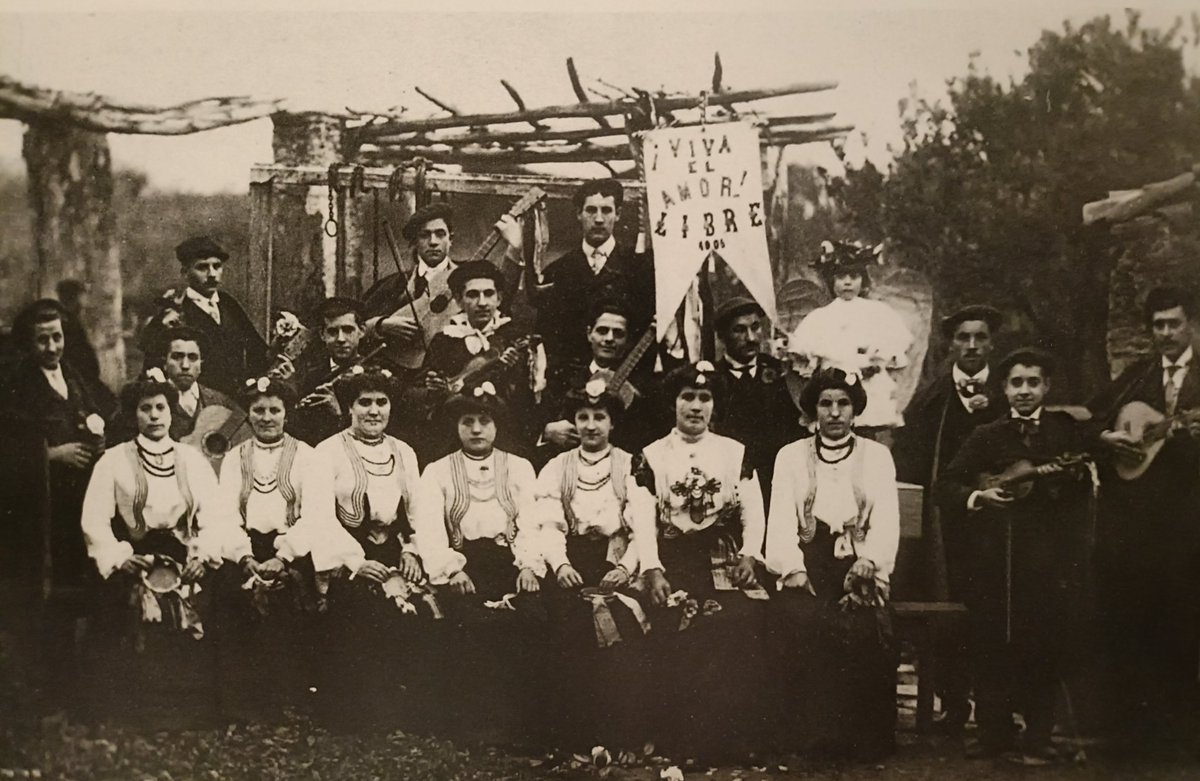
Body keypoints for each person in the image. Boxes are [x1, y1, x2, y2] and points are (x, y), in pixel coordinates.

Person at [936, 349, 1091, 765]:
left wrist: (1072, 479)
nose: (1024, 391)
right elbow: (945, 485)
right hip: (995, 560)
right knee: (991, 644)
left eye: (1033, 383)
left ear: (1046, 387)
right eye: (1016, 383)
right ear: (1004, 389)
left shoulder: (1064, 433)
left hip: (1048, 560)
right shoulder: (987, 435)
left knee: (1045, 644)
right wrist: (978, 496)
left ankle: (1038, 735)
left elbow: (1081, 496)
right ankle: (993, 734)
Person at [78, 370, 239, 726]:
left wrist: (203, 555)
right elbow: (94, 521)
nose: (154, 416)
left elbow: (215, 515)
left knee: (216, 594)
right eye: (145, 408)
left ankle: (197, 708)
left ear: (171, 412)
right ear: (133, 414)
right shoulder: (114, 460)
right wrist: (120, 558)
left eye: (161, 408)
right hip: (136, 552)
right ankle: (131, 709)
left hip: (184, 550)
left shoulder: (191, 459)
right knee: (120, 604)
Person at [630, 361, 770, 762]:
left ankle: (731, 740)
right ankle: (684, 741)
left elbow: (753, 510)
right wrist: (652, 568)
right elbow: (643, 518)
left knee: (740, 618)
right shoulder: (651, 456)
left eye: (704, 398)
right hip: (672, 557)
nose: (695, 406)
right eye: (687, 397)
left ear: (715, 405)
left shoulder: (735, 452)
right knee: (680, 620)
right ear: (672, 403)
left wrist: (749, 554)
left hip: (722, 555)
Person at [765, 367, 900, 760]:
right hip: (809, 563)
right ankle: (808, 738)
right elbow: (780, 522)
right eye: (826, 404)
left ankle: (861, 741)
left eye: (843, 403)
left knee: (863, 628)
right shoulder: (790, 456)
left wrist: (870, 561)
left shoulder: (877, 456)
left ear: (855, 410)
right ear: (813, 411)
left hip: (858, 564)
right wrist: (793, 568)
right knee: (800, 620)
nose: (835, 412)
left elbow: (887, 519)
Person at [1087, 285, 1200, 751]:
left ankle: (1187, 735)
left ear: (1190, 323)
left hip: (1192, 521)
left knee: (1188, 622)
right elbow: (1090, 418)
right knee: (1138, 620)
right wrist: (1108, 437)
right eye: (1158, 325)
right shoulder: (1138, 377)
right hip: (1141, 528)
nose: (1166, 333)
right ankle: (1136, 735)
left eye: (1174, 323)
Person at [410, 383, 547, 745]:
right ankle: (476, 726)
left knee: (531, 618)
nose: (476, 429)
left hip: (512, 563)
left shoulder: (519, 467)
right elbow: (428, 528)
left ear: (496, 425)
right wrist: (451, 569)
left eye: (484, 421)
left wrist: (529, 565)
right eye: (467, 421)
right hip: (464, 566)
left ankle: (525, 724)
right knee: (472, 626)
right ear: (456, 427)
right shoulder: (437, 472)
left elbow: (533, 520)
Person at [892, 303, 1006, 732]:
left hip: (999, 525)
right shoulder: (932, 399)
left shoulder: (1008, 391)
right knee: (947, 606)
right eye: (964, 337)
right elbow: (910, 461)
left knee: (996, 609)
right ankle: (953, 703)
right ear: (951, 344)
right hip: (946, 528)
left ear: (991, 344)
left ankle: (998, 709)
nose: (972, 346)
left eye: (980, 338)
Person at [300, 366, 430, 729]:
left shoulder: (404, 452)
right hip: (345, 553)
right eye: (364, 403)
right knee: (357, 609)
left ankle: (401, 712)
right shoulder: (327, 452)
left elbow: (419, 511)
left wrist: (414, 550)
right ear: (349, 408)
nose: (374, 411)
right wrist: (357, 562)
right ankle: (354, 713)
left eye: (382, 402)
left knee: (414, 605)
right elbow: (319, 516)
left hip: (394, 549)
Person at [0, 299, 114, 705]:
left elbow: (104, 412)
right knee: (47, 594)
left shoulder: (75, 376)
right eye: (42, 340)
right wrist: (50, 455)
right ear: (28, 344)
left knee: (81, 587)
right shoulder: (15, 384)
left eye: (57, 337)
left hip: (80, 503)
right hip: (41, 509)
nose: (51, 347)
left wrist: (99, 442)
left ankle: (81, 685)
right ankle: (45, 690)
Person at [532, 378, 656, 751]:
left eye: (599, 417)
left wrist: (627, 567)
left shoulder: (632, 464)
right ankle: (575, 734)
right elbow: (548, 520)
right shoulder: (557, 466)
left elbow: (642, 523)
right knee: (569, 631)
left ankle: (623, 732)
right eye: (582, 417)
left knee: (624, 632)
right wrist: (560, 564)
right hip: (572, 560)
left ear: (612, 423)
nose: (590, 425)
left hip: (616, 560)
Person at [214, 375, 321, 720]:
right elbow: (226, 514)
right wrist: (244, 556)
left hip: (291, 549)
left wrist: (283, 556)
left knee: (289, 605)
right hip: (245, 549)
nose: (266, 417)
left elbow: (315, 516)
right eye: (258, 410)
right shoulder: (234, 458)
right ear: (248, 414)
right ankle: (245, 701)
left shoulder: (306, 455)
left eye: (275, 410)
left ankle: (289, 698)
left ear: (286, 413)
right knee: (231, 600)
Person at [415, 260, 542, 460]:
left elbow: (530, 396)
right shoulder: (445, 339)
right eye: (472, 295)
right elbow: (422, 392)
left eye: (489, 294)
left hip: (506, 434)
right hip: (455, 435)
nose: (482, 303)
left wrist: (512, 371)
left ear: (499, 298)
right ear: (458, 300)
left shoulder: (515, 336)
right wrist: (434, 389)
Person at [521, 179, 655, 369]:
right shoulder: (558, 271)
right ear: (579, 214)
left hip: (622, 379)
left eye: (607, 210)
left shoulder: (640, 268)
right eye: (591, 210)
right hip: (569, 382)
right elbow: (547, 338)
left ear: (618, 214)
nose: (599, 219)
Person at [787, 240, 913, 436]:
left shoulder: (877, 311)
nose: (847, 282)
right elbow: (804, 352)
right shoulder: (821, 316)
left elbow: (893, 343)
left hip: (867, 383)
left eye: (854, 277)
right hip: (833, 387)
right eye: (841, 277)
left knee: (865, 433)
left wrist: (877, 360)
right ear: (831, 280)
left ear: (863, 280)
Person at [535, 299, 664, 467]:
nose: (609, 338)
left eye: (618, 333)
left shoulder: (641, 388)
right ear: (590, 334)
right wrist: (547, 432)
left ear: (627, 341)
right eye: (602, 331)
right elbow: (533, 421)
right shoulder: (562, 379)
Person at [142, 236, 269, 397]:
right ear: (185, 272)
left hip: (239, 402)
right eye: (202, 267)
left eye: (217, 266)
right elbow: (154, 368)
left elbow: (257, 350)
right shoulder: (176, 312)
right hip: (198, 406)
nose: (212, 274)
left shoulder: (228, 304)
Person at [711, 296, 804, 503]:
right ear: (721, 336)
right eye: (739, 330)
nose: (751, 338)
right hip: (729, 488)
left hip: (778, 487)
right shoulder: (710, 380)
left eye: (755, 327)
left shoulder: (781, 373)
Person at [287, 297, 380, 446]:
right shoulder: (309, 376)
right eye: (332, 332)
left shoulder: (376, 374)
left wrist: (339, 413)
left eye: (348, 330)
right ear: (322, 335)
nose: (341, 339)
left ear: (362, 331)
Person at [55, 278, 103, 387]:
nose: (82, 304)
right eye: (79, 297)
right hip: (74, 379)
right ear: (71, 298)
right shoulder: (66, 323)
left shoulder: (72, 320)